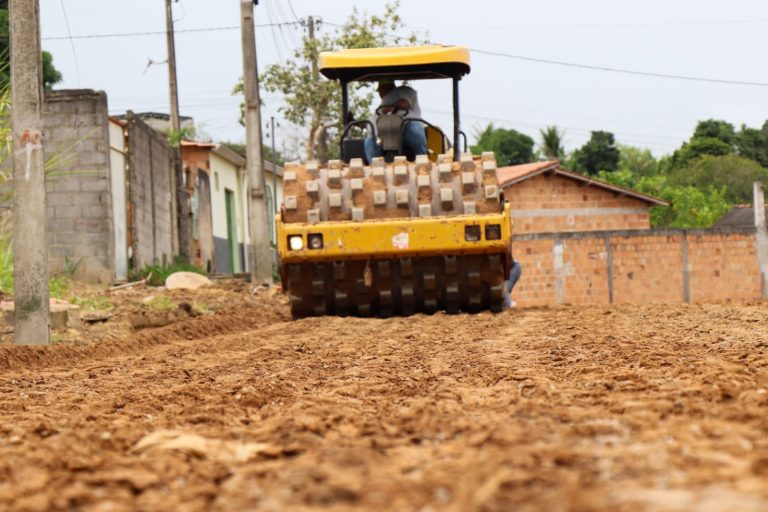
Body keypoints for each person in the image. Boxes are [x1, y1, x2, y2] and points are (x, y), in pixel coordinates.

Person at [364, 79, 428, 162]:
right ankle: (375, 166)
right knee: (369, 142)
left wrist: (392, 107)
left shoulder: (405, 91)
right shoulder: (381, 107)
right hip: (385, 137)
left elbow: (404, 103)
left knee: (416, 130)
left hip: (406, 131)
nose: (381, 92)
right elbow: (372, 124)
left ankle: (422, 160)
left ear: (384, 88)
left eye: (381, 89)